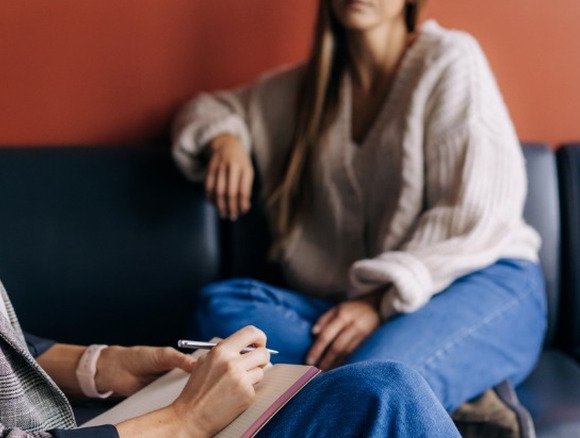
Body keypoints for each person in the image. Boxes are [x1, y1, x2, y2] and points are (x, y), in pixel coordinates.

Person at [0, 0, 465, 436]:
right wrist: (186, 420)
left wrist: (107, 364)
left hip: (89, 419)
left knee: (383, 391)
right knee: (390, 402)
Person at [172, 0, 546, 413]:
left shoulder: (449, 60)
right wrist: (225, 140)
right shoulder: (307, 90)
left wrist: (377, 302)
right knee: (219, 312)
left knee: (375, 382)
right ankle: (419, 393)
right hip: (354, 305)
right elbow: (207, 109)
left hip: (480, 280)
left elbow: (477, 216)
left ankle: (392, 385)